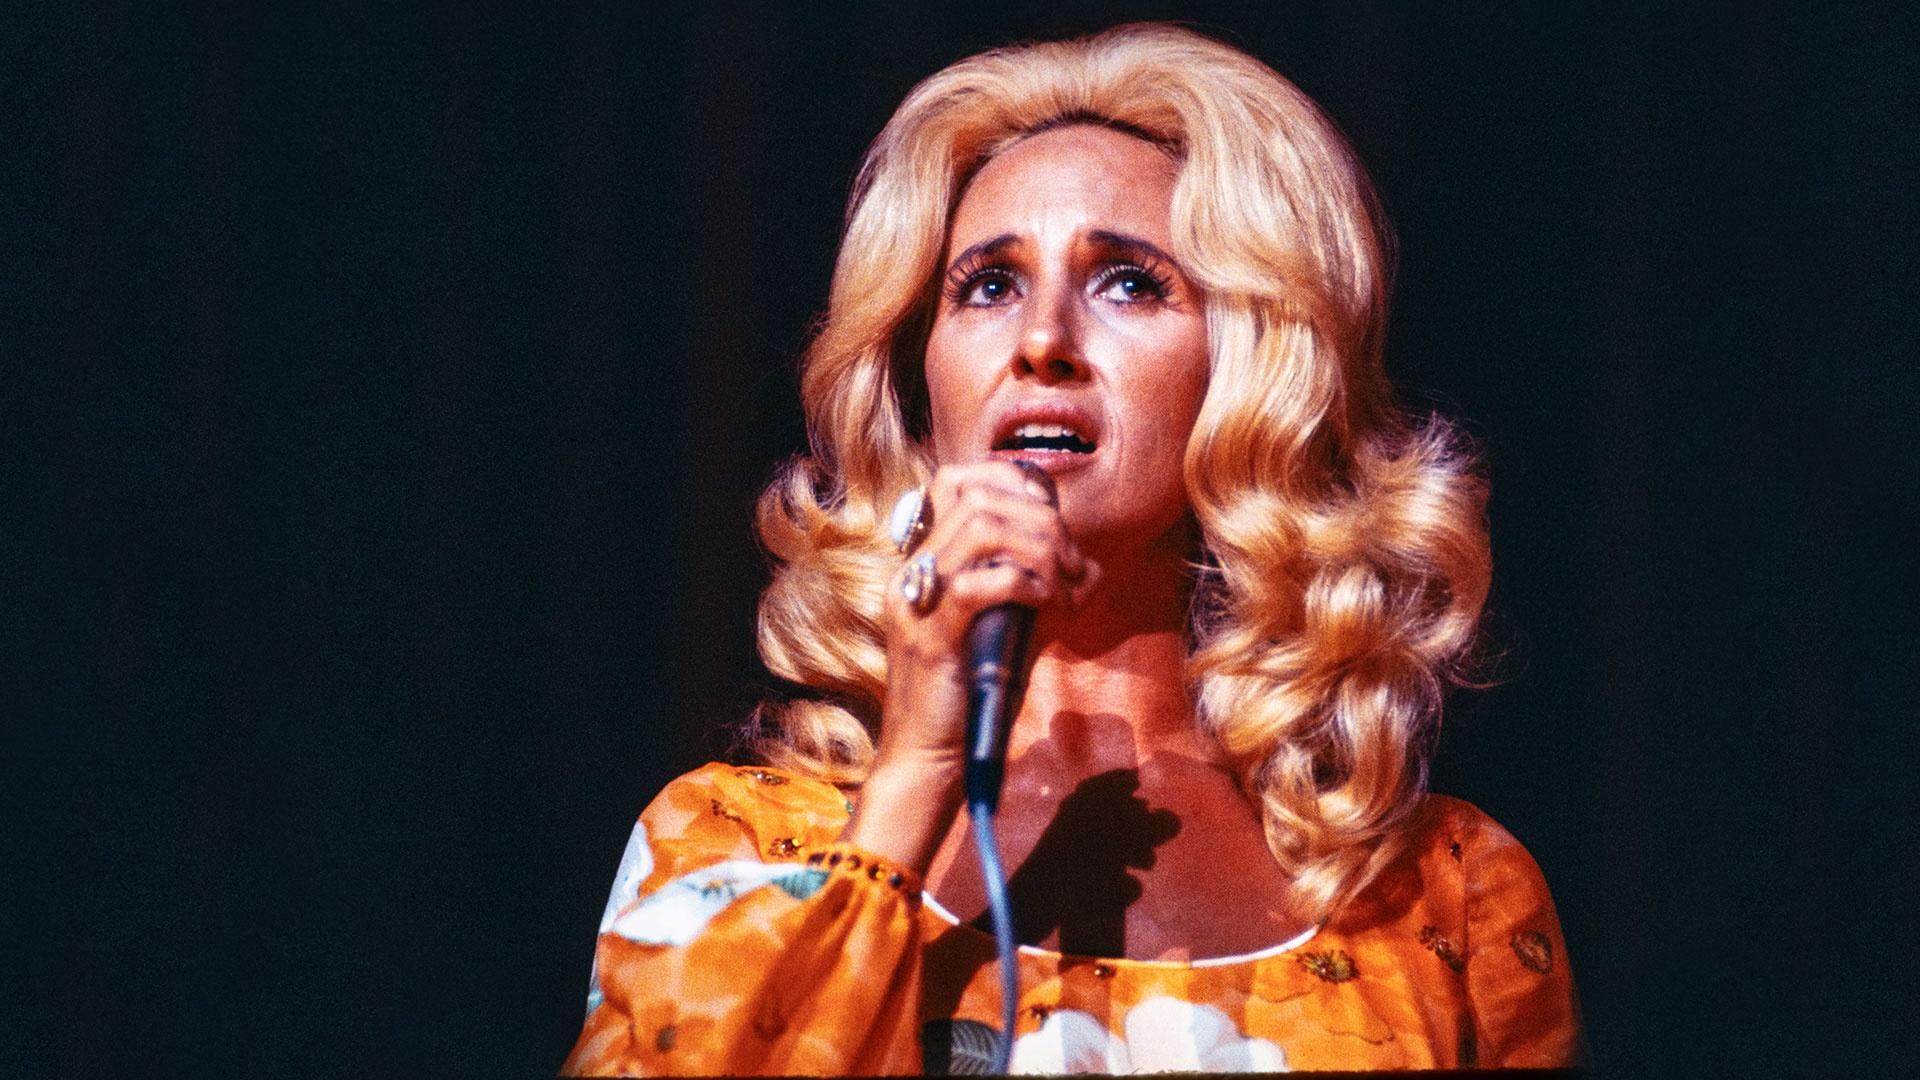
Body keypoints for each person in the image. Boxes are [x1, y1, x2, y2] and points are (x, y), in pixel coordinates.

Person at [563, 22, 1579, 1075]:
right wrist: (916, 775)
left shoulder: (1448, 899)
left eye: (1129, 282)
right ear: (926, 390)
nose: (1041, 339)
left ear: (1256, 370)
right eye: (988, 286)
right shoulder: (723, 849)